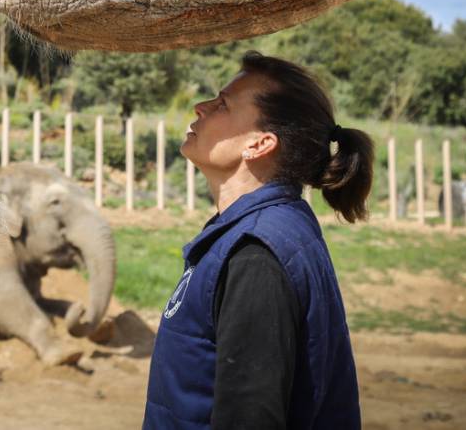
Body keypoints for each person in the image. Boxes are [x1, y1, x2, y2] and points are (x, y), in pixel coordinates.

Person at [142, 51, 373, 429]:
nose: (202, 107)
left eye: (223, 105)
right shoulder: (267, 229)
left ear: (260, 144)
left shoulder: (255, 256)